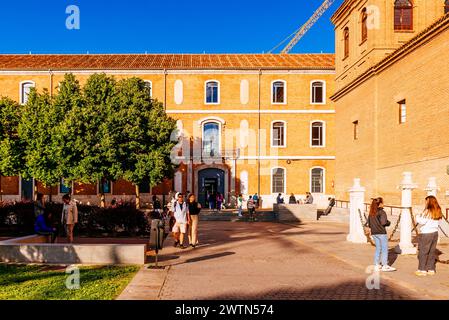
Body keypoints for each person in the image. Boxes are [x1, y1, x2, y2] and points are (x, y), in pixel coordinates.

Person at [414, 195, 443, 276]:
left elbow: (422, 221)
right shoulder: (438, 210)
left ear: (429, 201)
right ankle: (431, 269)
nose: (425, 203)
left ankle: (422, 269)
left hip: (426, 233)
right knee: (431, 252)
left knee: (423, 252)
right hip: (435, 233)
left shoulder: (427, 211)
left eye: (426, 201)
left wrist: (416, 216)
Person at [368, 197, 396, 272]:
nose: (384, 204)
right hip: (381, 232)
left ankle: (376, 265)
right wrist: (388, 222)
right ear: (380, 204)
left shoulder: (371, 212)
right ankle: (385, 265)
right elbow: (383, 222)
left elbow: (369, 224)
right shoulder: (382, 212)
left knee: (378, 248)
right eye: (383, 202)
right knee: (384, 249)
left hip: (374, 233)